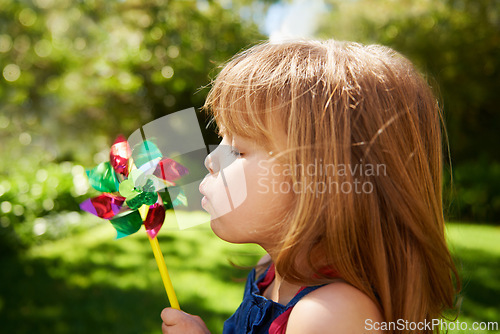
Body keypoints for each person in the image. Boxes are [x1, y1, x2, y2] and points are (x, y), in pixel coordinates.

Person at [160, 39, 459, 334]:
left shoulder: (331, 316)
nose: (211, 159)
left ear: (322, 183)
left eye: (237, 150)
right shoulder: (270, 271)